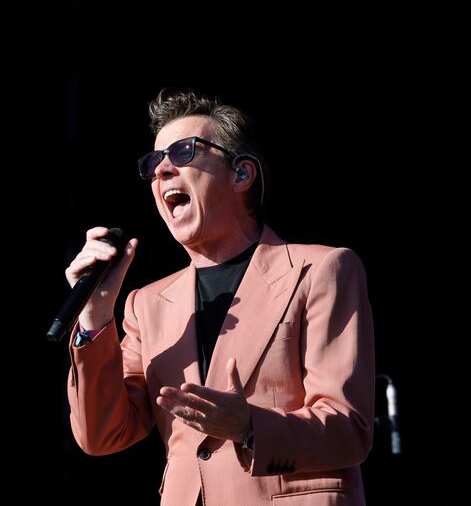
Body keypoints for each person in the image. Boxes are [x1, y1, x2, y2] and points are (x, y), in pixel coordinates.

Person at [64, 89, 375, 505]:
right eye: (154, 162)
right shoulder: (146, 304)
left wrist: (249, 426)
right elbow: (102, 435)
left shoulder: (321, 270)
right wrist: (94, 316)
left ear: (241, 175)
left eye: (182, 151)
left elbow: (348, 431)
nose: (163, 170)